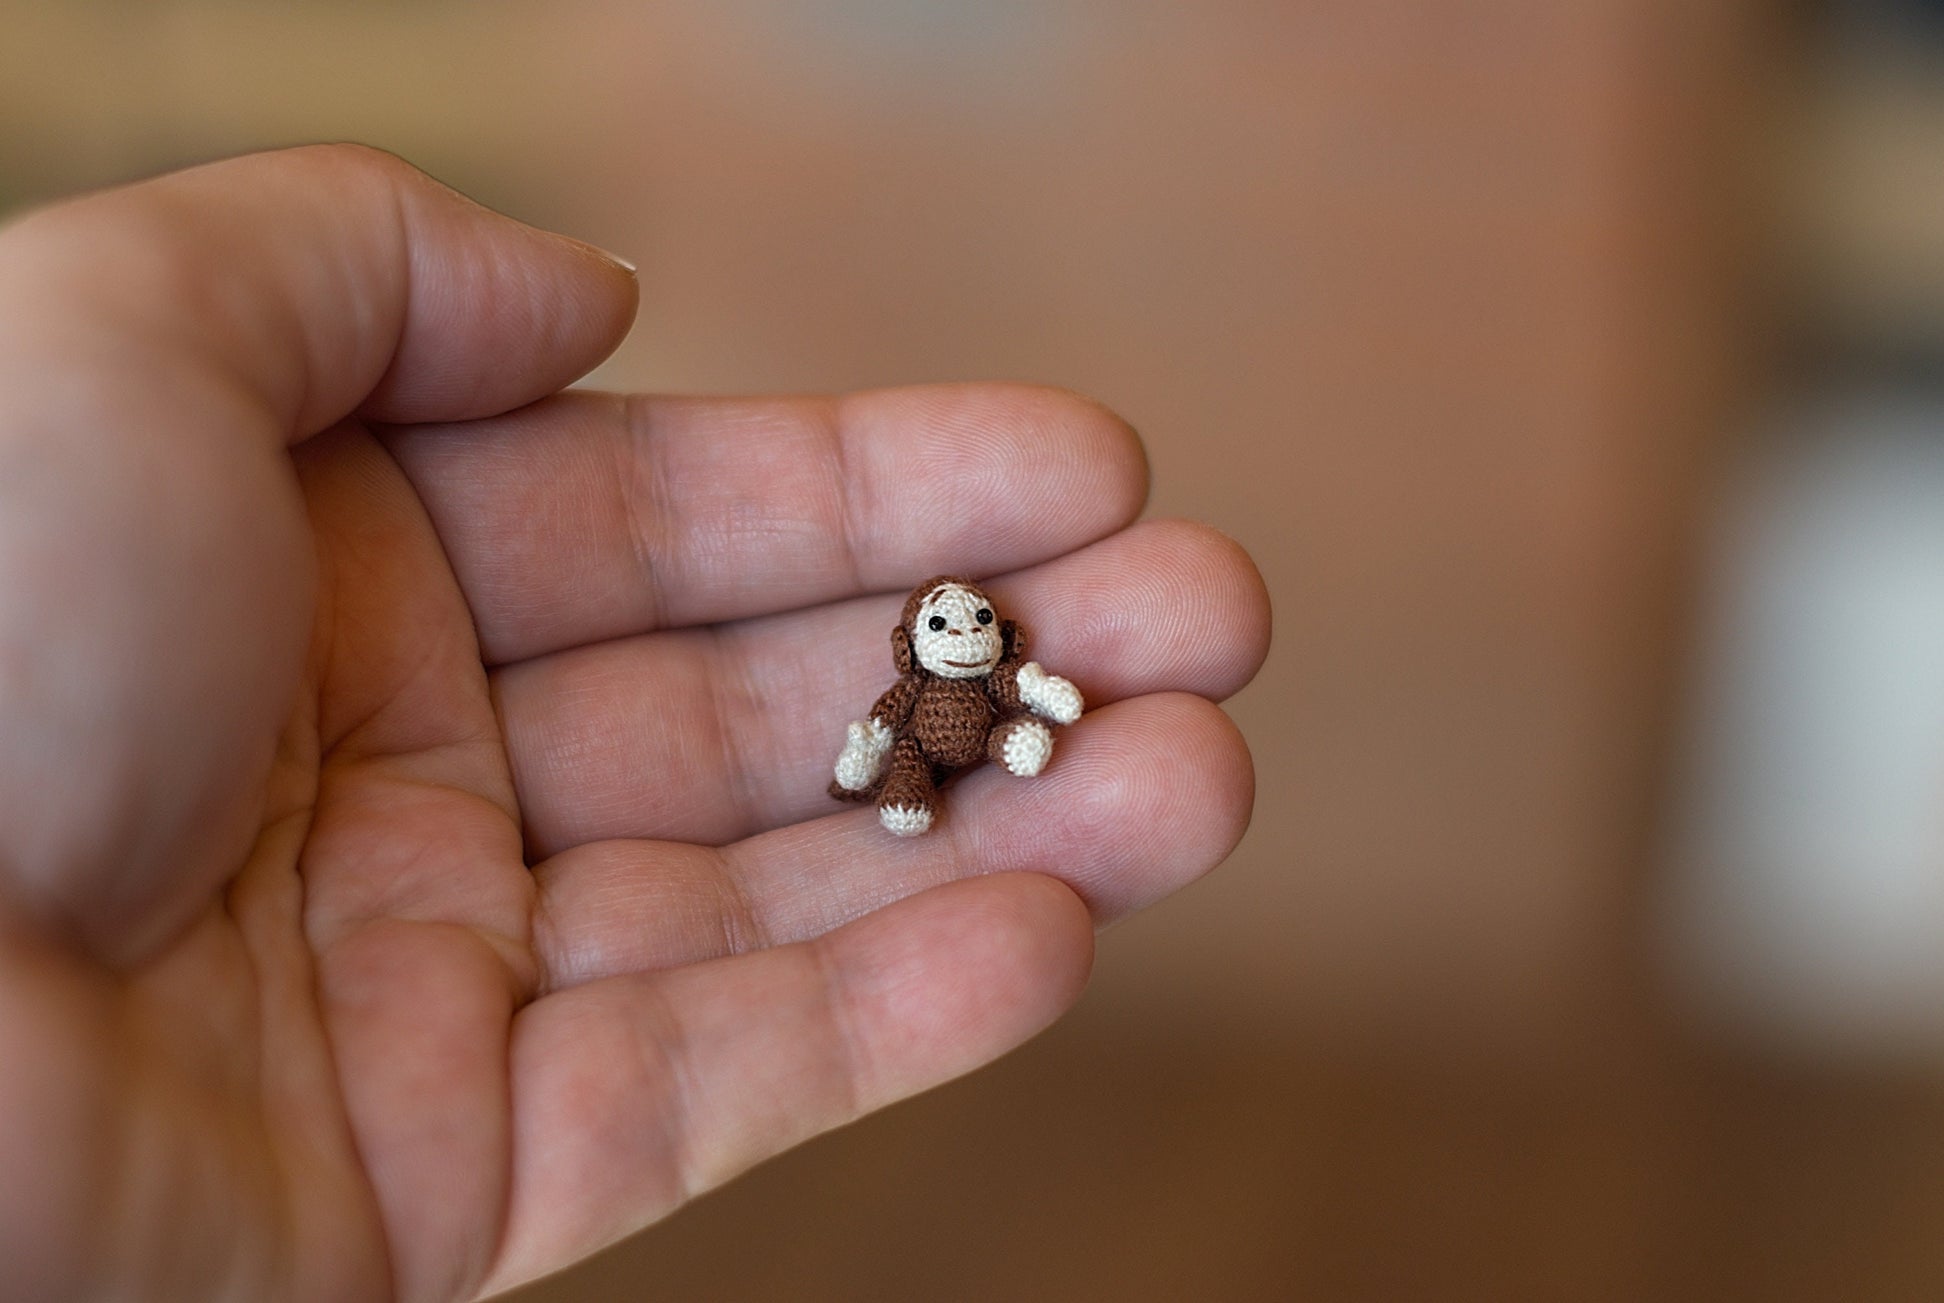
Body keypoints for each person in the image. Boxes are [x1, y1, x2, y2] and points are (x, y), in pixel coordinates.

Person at [0, 145, 1267, 1300]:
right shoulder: (900, 684)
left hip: (979, 738)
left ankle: (988, 760)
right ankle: (904, 798)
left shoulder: (993, 668)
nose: (968, 632)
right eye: (949, 624)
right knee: (902, 775)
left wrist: (1036, 697)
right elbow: (885, 722)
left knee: (1010, 738)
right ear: (914, 637)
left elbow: (1017, 681)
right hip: (907, 762)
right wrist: (861, 755)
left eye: (976, 625)